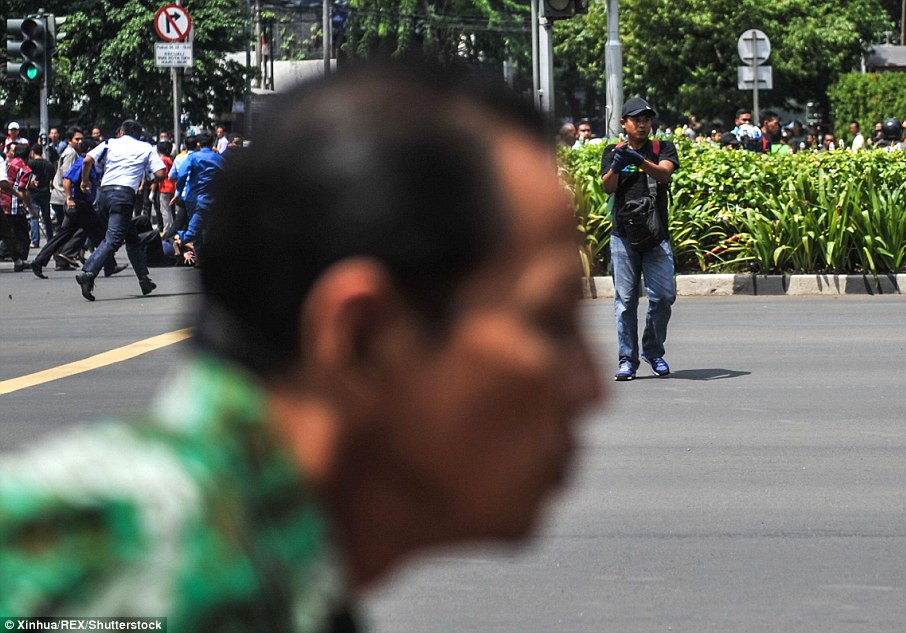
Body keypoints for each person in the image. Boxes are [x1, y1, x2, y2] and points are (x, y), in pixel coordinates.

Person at [0, 59, 602, 629]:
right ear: (362, 338)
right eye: (550, 320)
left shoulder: (259, 568)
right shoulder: (157, 576)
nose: (592, 387)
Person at [602, 97, 680, 380]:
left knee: (663, 297)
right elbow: (606, 187)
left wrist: (640, 160)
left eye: (647, 119)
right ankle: (627, 359)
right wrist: (617, 165)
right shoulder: (613, 151)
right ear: (624, 123)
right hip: (622, 237)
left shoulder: (662, 148)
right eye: (637, 119)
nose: (643, 124)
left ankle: (653, 350)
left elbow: (664, 175)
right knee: (625, 302)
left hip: (656, 236)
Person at [75, 120, 166, 301]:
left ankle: (144, 279)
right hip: (123, 197)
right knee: (114, 239)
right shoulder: (145, 147)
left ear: (121, 132)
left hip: (104, 195)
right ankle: (88, 272)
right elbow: (161, 173)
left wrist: (85, 182)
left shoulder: (110, 143)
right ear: (139, 135)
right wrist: (147, 179)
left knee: (131, 237)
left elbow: (87, 160)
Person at [29, 138, 126, 280]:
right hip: (78, 205)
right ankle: (109, 265)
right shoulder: (82, 162)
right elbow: (67, 180)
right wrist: (69, 198)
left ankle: (39, 261)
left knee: (64, 235)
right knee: (99, 233)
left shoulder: (91, 165)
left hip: (80, 205)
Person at [171, 130, 226, 261]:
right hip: (213, 198)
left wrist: (179, 191)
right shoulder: (219, 159)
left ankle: (180, 238)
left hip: (193, 198)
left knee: (195, 230)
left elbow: (182, 174)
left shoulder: (193, 157)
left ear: (198, 144)